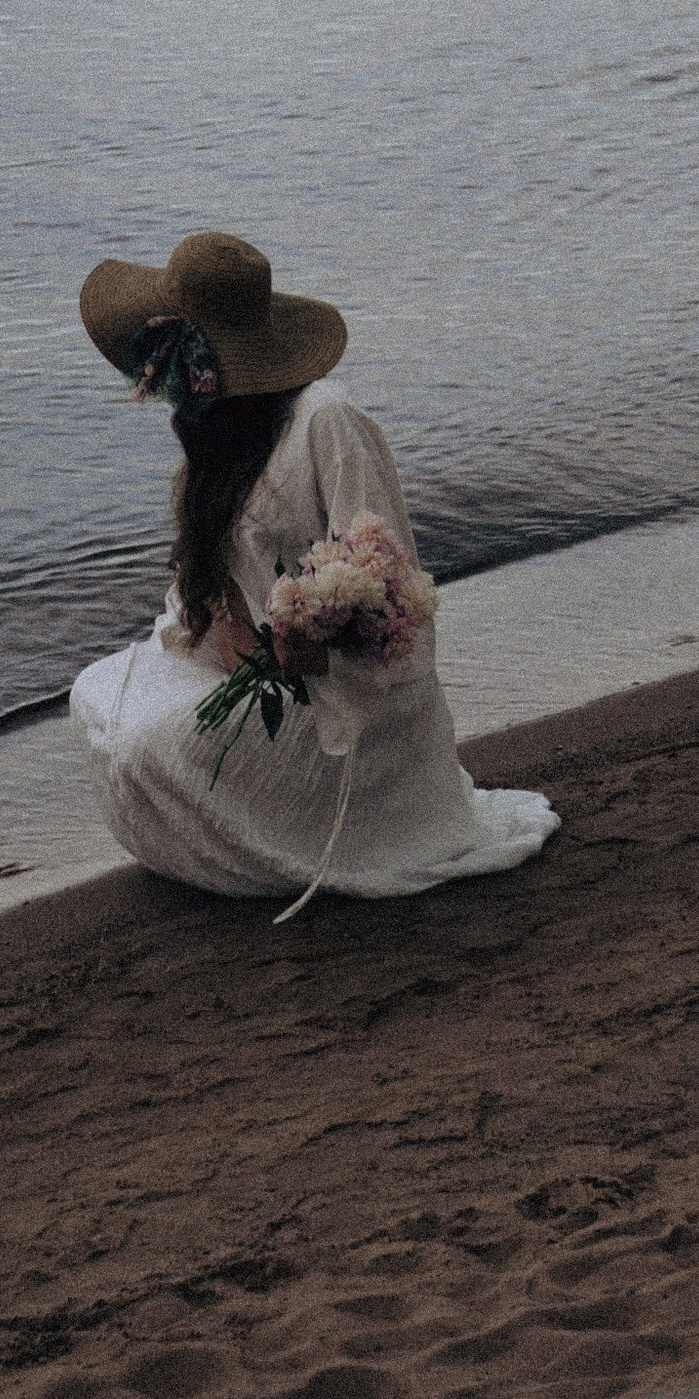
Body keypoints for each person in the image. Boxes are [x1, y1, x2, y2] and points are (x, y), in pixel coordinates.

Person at [67, 230, 558, 909]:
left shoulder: (325, 420)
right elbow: (208, 590)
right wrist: (229, 633)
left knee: (146, 750)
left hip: (346, 695)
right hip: (253, 664)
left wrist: (305, 646)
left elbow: (389, 588)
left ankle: (300, 830)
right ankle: (227, 828)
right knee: (96, 695)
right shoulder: (218, 441)